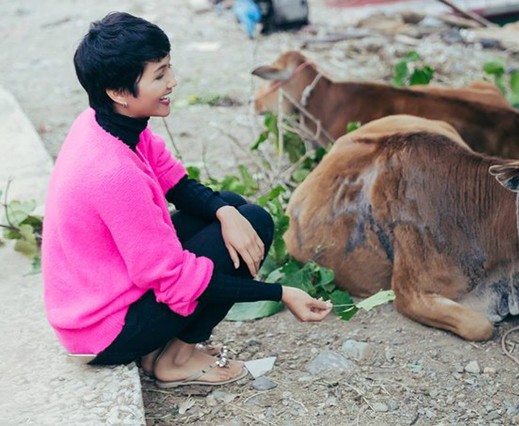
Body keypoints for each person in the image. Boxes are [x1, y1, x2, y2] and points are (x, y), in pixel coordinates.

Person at [42, 11, 332, 388]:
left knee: (234, 208)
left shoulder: (106, 122)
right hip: (103, 331)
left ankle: (163, 346)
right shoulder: (112, 171)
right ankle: (175, 359)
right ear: (118, 92)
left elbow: (174, 182)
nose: (172, 82)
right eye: (159, 75)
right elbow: (177, 281)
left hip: (105, 291)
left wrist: (225, 211)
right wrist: (279, 293)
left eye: (169, 69)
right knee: (257, 223)